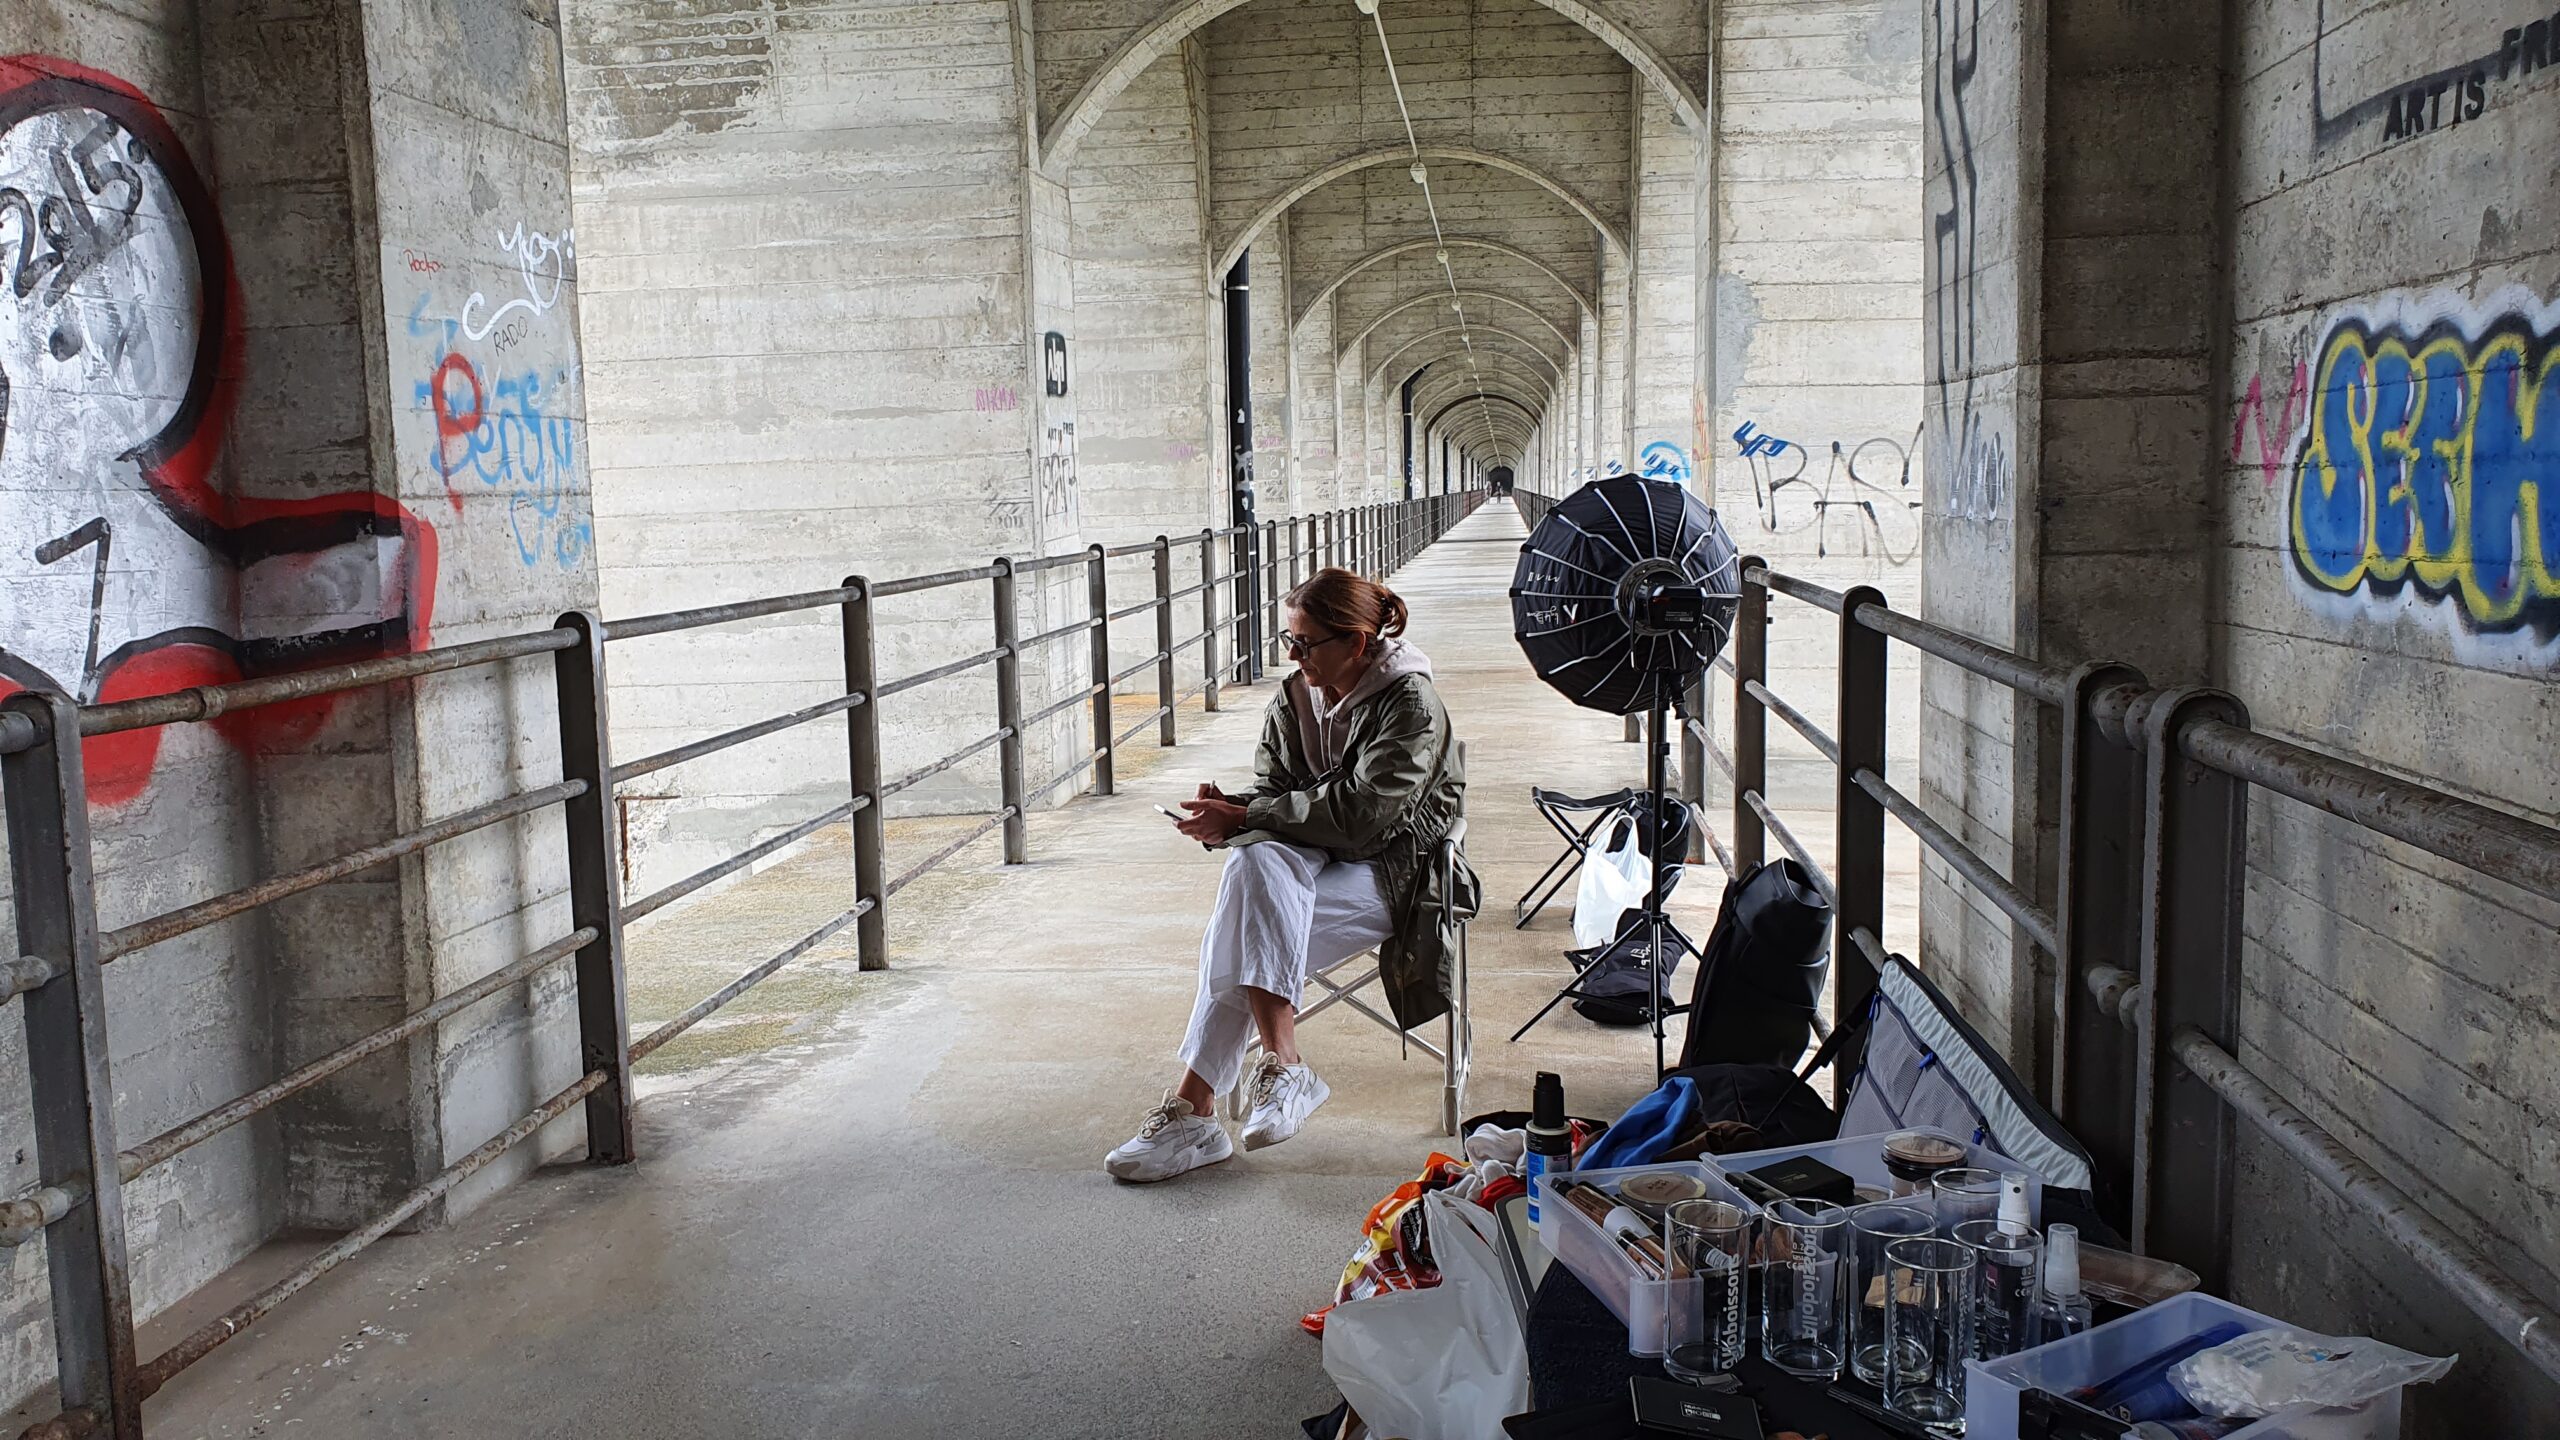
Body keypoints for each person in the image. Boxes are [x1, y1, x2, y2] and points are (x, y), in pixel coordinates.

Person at [1105, 567, 1474, 1183]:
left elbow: (1361, 818)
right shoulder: (1296, 695)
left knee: (1246, 932)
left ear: (1356, 643)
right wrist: (1232, 815)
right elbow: (1277, 789)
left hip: (1398, 875)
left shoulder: (1412, 705)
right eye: (1289, 641)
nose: (1295, 655)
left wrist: (1249, 813)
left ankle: (1195, 1112)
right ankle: (1284, 1066)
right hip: (1315, 861)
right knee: (1252, 865)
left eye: (1307, 643)